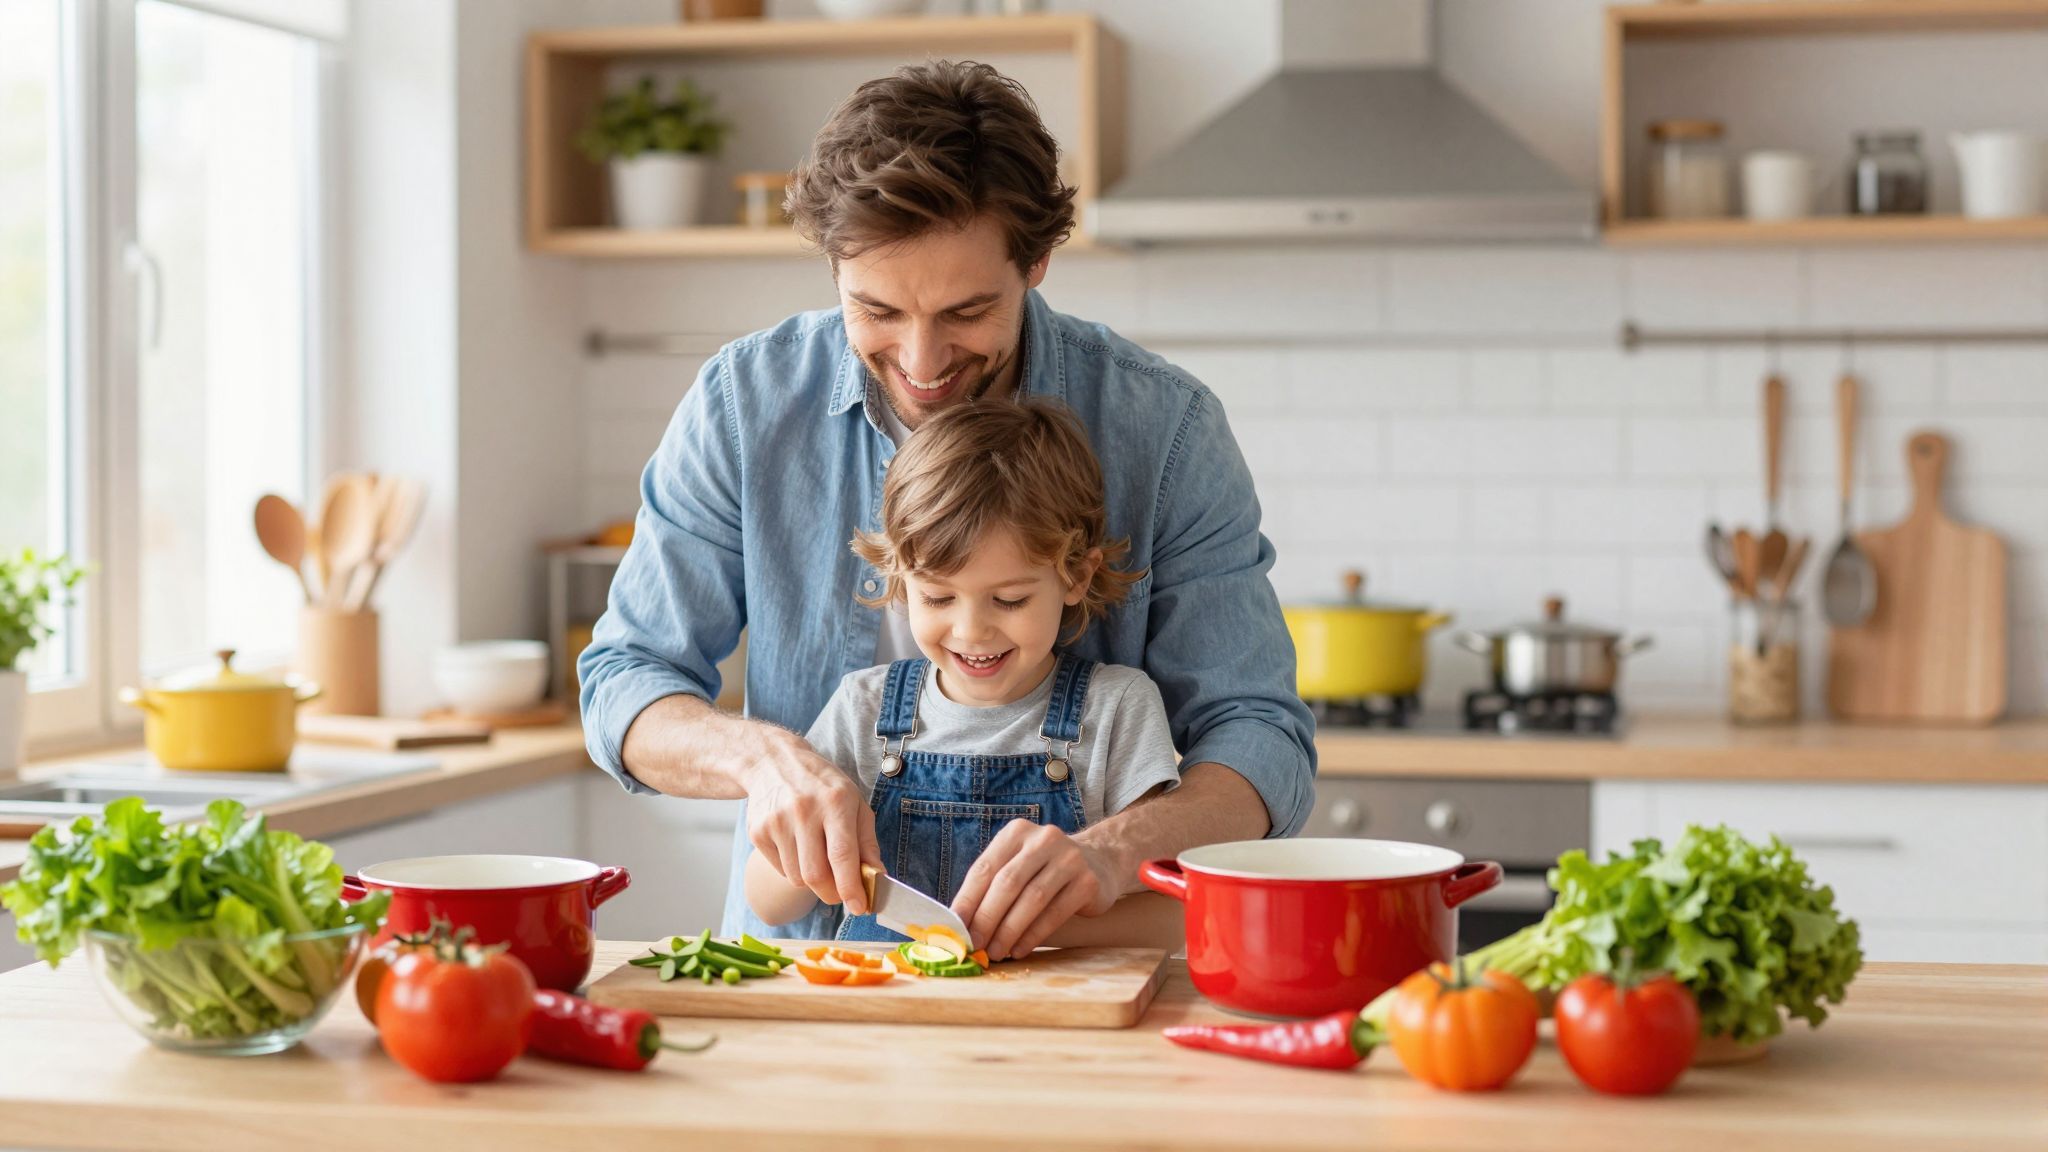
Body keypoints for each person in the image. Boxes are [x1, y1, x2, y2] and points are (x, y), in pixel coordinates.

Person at [579, 59, 1316, 961]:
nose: (922, 361)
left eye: (967, 311)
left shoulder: (1163, 429)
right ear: (833, 267)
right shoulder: (746, 402)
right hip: (817, 990)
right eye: (876, 310)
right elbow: (623, 682)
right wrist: (765, 764)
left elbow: (1262, 737)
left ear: (1037, 262)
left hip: (1079, 995)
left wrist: (1116, 852)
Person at [745, 400, 1180, 939]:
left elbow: (1171, 914)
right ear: (902, 579)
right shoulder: (863, 708)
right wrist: (811, 849)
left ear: (1075, 577)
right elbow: (768, 903)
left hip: (1054, 1016)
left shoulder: (1117, 707)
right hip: (883, 1015)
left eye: (1010, 600)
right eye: (938, 597)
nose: (972, 631)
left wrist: (1023, 929)